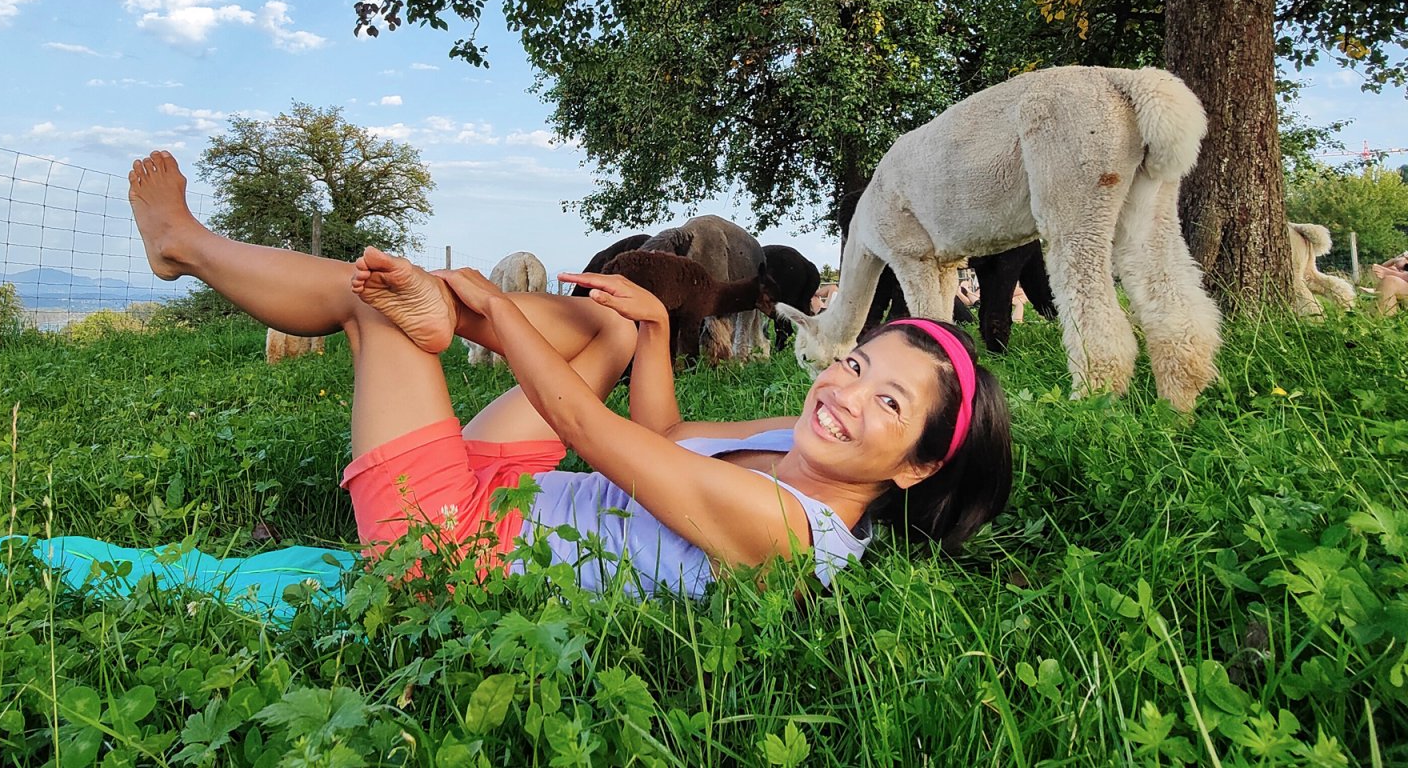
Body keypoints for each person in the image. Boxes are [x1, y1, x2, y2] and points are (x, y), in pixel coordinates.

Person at [129, 151, 1013, 597]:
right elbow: (664, 439)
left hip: (448, 549)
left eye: (887, 403)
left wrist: (506, 321)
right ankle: (447, 312)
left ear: (918, 465)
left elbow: (603, 438)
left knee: (377, 308)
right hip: (513, 495)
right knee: (608, 325)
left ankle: (187, 247)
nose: (844, 393)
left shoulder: (792, 533)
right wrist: (656, 335)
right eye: (856, 364)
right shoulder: (788, 446)